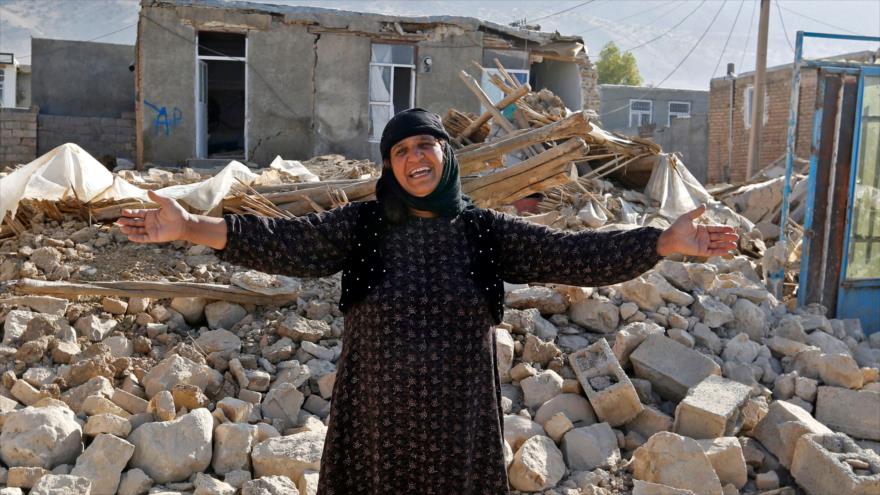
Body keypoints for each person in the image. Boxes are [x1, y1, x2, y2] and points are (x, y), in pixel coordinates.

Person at [118, 108, 738, 494]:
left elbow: (570, 256)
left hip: (457, 431)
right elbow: (285, 243)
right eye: (401, 151)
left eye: (425, 146)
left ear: (445, 155)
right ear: (389, 165)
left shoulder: (481, 231)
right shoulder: (363, 226)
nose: (415, 158)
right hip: (375, 427)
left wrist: (662, 242)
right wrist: (193, 228)